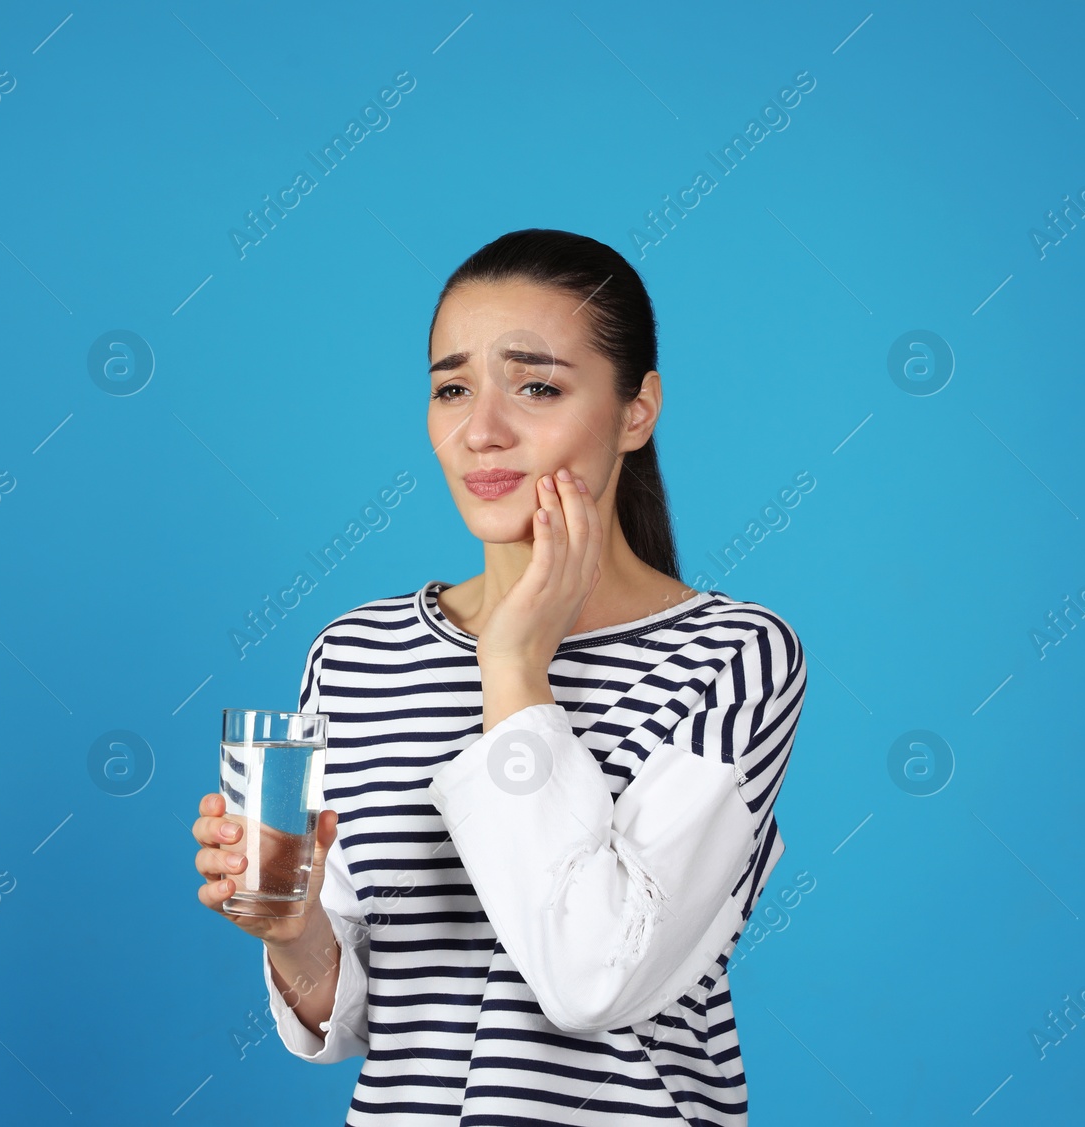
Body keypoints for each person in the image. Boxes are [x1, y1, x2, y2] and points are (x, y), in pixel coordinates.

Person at [190, 228, 808, 1125]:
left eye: (537, 386)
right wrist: (295, 937)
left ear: (637, 410)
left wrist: (514, 666)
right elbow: (369, 1014)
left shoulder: (733, 655)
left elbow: (593, 979)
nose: (481, 429)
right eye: (451, 388)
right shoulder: (357, 654)